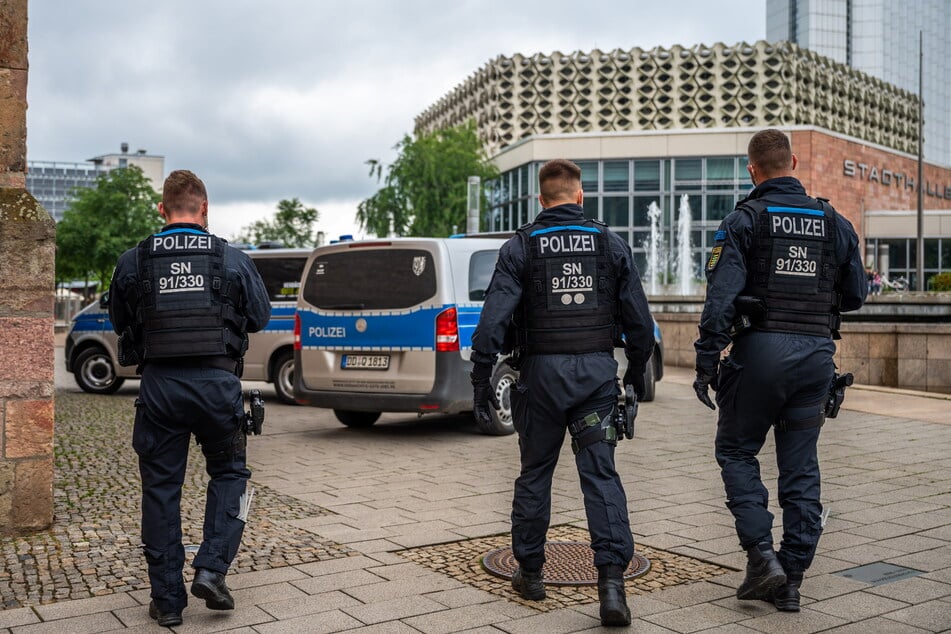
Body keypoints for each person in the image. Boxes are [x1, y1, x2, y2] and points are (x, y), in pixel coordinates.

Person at [471, 159, 655, 627]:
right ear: (579, 196)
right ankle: (611, 585)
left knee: (535, 474)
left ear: (540, 199)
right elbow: (638, 321)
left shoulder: (520, 247)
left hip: (540, 380)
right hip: (595, 378)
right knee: (601, 477)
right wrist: (634, 374)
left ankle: (530, 573)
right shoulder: (610, 243)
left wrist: (480, 383)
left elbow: (492, 322)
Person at [693, 129, 867, 612]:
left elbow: (720, 301)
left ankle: (761, 558)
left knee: (735, 450)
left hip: (758, 356)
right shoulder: (835, 222)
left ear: (753, 170)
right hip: (815, 358)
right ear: (792, 161)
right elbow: (855, 296)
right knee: (800, 466)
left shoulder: (744, 219)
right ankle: (791, 579)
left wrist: (707, 363)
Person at [109, 170, 271, 627]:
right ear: (204, 208)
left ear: (162, 210)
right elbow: (259, 316)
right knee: (230, 473)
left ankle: (166, 602)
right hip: (217, 386)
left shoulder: (133, 261)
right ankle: (212, 570)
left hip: (159, 387)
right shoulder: (231, 258)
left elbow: (121, 320)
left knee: (161, 489)